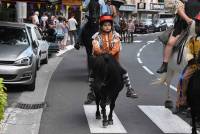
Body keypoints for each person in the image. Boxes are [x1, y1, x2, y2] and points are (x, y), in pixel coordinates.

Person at [84, 15, 138, 104]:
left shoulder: (116, 36)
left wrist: (110, 54)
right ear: (101, 26)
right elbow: (96, 47)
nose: (107, 27)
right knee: (92, 74)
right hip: (101, 60)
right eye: (105, 25)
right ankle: (91, 93)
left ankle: (129, 89)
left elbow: (117, 47)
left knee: (124, 71)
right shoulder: (97, 36)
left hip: (113, 60)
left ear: (111, 26)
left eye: (109, 25)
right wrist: (101, 53)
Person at [173, 13, 200, 114]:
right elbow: (188, 52)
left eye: (199, 25)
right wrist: (191, 59)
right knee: (183, 79)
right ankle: (182, 103)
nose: (197, 27)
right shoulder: (192, 40)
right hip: (194, 65)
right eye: (196, 24)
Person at [156, 0, 193, 73]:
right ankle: (165, 64)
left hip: (197, 23)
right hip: (182, 25)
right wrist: (188, 20)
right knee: (170, 42)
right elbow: (175, 7)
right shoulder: (179, 2)